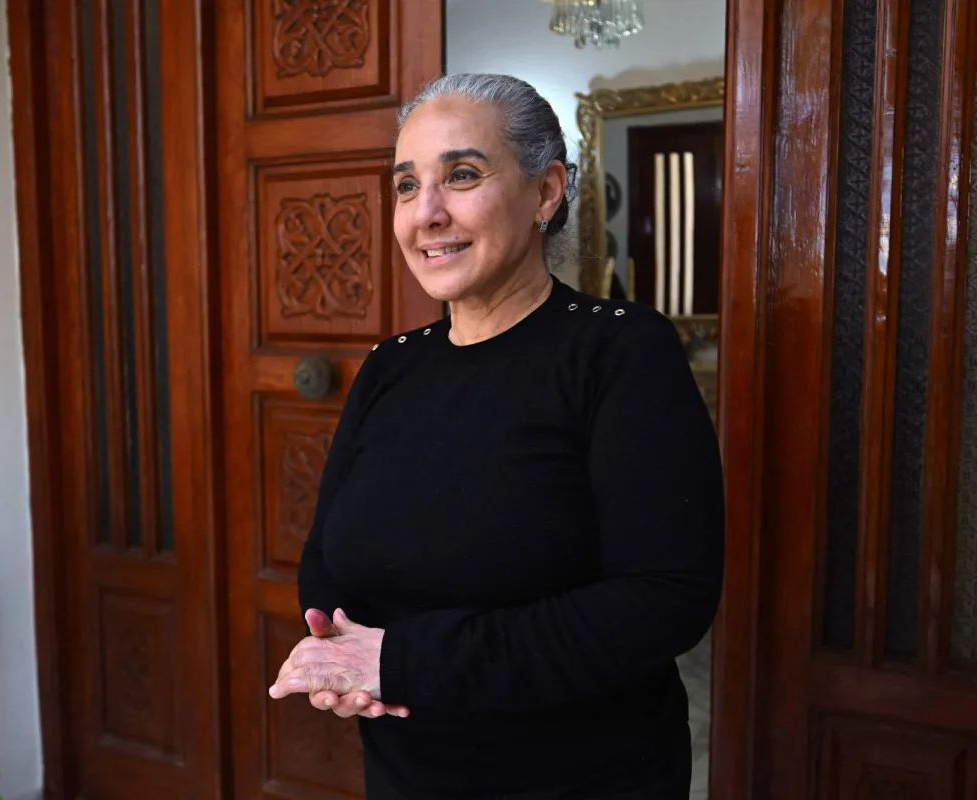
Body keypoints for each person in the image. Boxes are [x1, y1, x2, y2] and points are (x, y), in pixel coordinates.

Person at [267, 72, 724, 800]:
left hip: (580, 778)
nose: (427, 213)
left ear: (546, 193)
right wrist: (337, 652)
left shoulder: (620, 352)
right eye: (407, 185)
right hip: (407, 769)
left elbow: (665, 598)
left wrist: (401, 661)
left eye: (462, 175)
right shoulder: (390, 367)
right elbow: (327, 555)